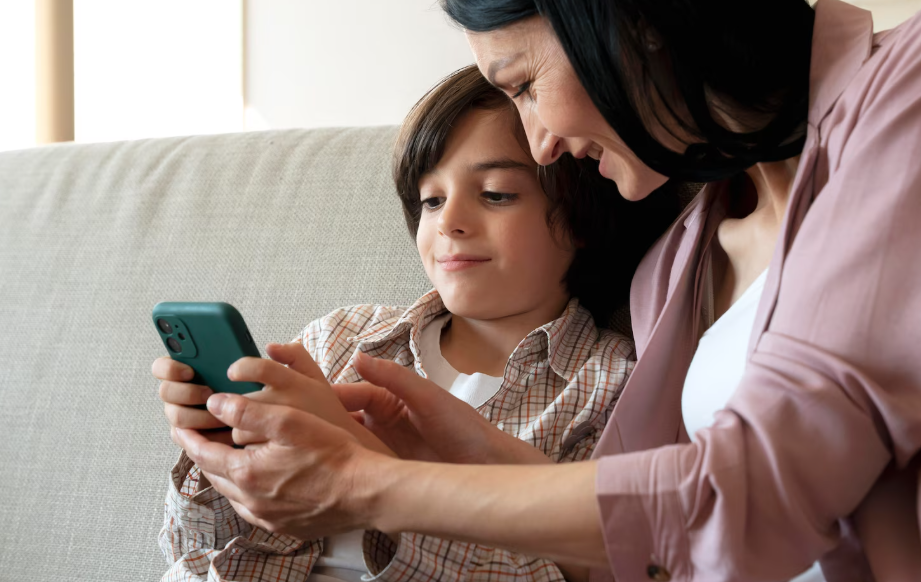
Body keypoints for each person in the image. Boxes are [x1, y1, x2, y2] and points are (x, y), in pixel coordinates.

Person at [173, 0, 921, 580]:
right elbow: (654, 551)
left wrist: (366, 486)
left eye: (524, 84)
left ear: (632, 17)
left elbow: (746, 497)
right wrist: (461, 457)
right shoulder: (676, 262)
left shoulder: (904, 92)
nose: (541, 143)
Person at [154, 65, 677, 582]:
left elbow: (559, 571)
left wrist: (372, 477)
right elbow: (191, 549)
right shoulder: (338, 340)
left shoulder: (610, 390)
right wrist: (216, 450)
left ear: (582, 215)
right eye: (431, 199)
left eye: (496, 193)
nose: (449, 220)